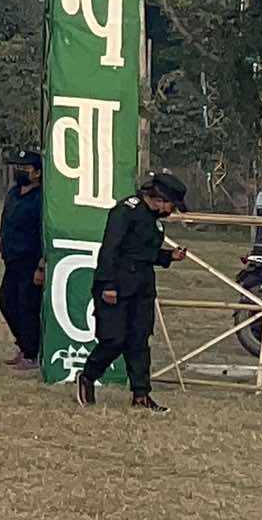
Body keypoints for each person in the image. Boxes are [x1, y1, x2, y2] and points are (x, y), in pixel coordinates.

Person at [74, 171, 188, 415]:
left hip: (142, 286)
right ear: (159, 198)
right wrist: (108, 285)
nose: (172, 211)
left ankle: (141, 394)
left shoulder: (153, 219)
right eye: (171, 205)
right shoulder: (126, 211)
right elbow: (110, 249)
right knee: (114, 340)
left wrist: (169, 256)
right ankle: (88, 376)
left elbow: (143, 252)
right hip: (116, 284)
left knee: (139, 340)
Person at [0, 150, 44, 371]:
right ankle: (23, 344)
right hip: (12, 257)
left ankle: (32, 353)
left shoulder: (42, 198)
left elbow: (43, 232)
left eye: (25, 168)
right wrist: (0, 240)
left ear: (38, 173)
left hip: (30, 259)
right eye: (18, 167)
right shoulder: (14, 193)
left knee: (27, 306)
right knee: (6, 302)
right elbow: (7, 218)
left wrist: (41, 264)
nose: (20, 171)